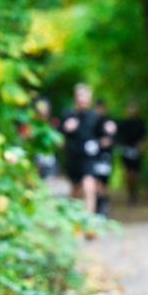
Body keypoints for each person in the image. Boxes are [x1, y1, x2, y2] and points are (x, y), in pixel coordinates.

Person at [59, 85, 100, 215]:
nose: (83, 100)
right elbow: (59, 137)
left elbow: (103, 136)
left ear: (90, 99)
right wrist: (66, 129)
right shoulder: (67, 115)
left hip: (89, 158)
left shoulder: (95, 117)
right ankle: (76, 220)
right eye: (80, 96)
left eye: (85, 97)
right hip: (73, 157)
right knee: (75, 191)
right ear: (75, 98)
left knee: (89, 186)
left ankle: (90, 222)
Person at [116, 101, 148, 205]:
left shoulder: (140, 123)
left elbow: (144, 138)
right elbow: (118, 138)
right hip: (126, 151)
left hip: (137, 151)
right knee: (128, 174)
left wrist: (142, 147)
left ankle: (135, 193)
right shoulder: (123, 124)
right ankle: (130, 193)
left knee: (136, 174)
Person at [91, 100, 118, 217]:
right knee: (96, 183)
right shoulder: (91, 122)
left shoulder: (109, 123)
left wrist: (109, 141)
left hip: (105, 157)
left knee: (104, 183)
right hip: (93, 157)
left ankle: (103, 207)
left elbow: (115, 139)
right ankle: (98, 207)